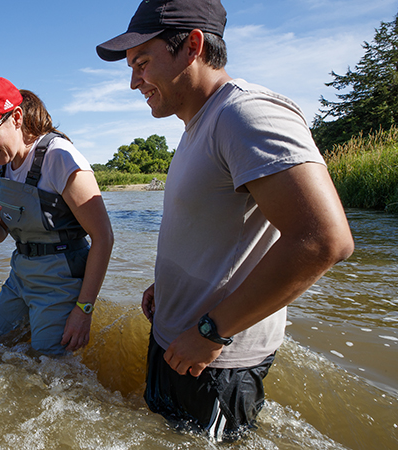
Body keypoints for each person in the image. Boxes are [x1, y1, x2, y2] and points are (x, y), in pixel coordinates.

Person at [96, 0, 355, 441]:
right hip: (180, 344)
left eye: (141, 62)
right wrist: (170, 284)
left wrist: (213, 331)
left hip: (215, 362)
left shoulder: (246, 113)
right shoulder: (199, 123)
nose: (134, 81)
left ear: (192, 45)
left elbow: (323, 240)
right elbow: (216, 230)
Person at [0, 77, 113, 355]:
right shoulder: (2, 165)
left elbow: (104, 238)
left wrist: (84, 309)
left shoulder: (59, 157)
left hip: (61, 279)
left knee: (48, 367)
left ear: (16, 117)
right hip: (20, 274)